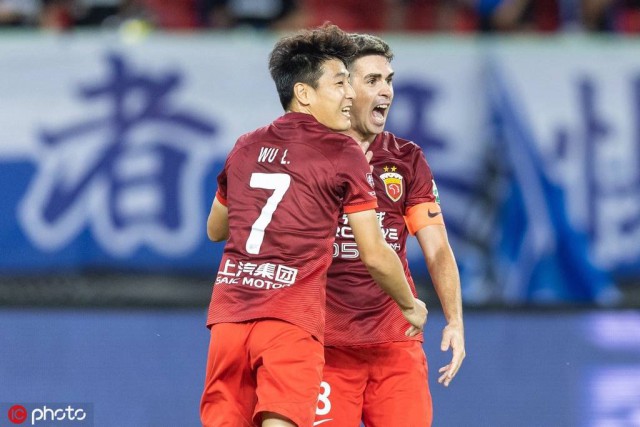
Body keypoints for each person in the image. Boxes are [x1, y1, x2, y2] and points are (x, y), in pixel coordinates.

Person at [201, 24, 427, 427]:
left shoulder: (246, 145)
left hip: (229, 318)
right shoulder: (342, 151)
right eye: (339, 83)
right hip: (291, 319)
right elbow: (375, 254)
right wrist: (410, 305)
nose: (349, 94)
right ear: (304, 93)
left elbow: (215, 230)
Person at [315, 33, 466, 427]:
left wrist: (455, 319)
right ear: (343, 89)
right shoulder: (308, 157)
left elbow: (437, 248)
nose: (386, 91)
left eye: (389, 80)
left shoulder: (407, 159)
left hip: (397, 345)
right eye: (373, 80)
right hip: (325, 347)